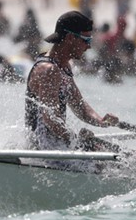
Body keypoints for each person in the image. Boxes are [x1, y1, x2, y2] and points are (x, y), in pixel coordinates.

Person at [25, 11, 120, 153]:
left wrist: (101, 121)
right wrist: (77, 141)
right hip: (43, 152)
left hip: (57, 146)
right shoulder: (48, 70)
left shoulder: (63, 66)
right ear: (70, 38)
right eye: (86, 40)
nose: (89, 47)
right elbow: (50, 120)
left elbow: (80, 107)